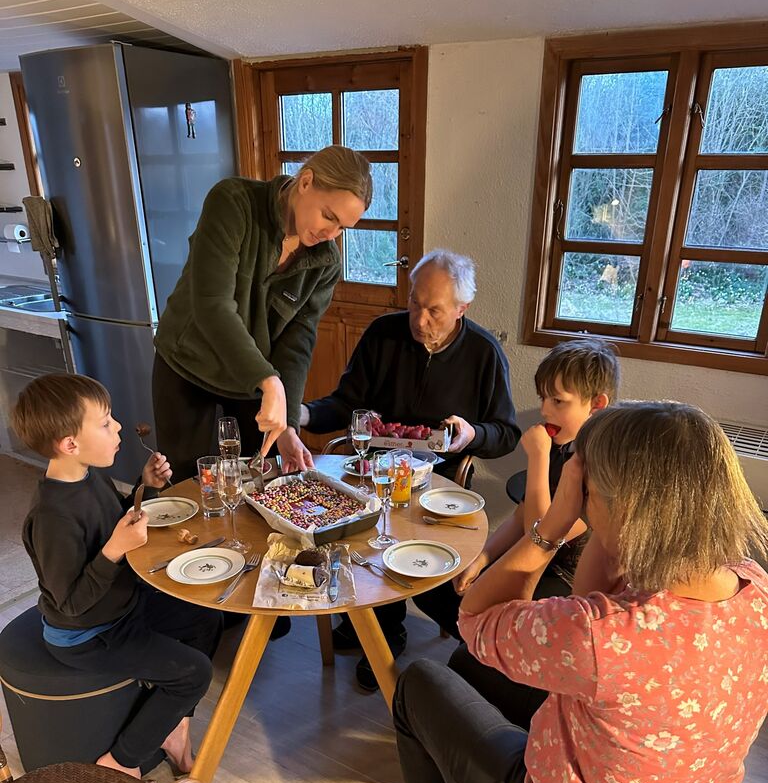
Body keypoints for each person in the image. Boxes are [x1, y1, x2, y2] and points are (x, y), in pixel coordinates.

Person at [383, 401, 768, 783]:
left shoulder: (602, 638)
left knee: (419, 681)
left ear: (620, 506)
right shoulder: (753, 586)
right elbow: (594, 594)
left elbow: (475, 618)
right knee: (474, 675)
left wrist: (554, 525)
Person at [299, 248, 521, 689]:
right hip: (371, 473)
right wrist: (300, 415)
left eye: (434, 310)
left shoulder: (483, 352)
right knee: (347, 531)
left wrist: (472, 434)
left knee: (410, 547)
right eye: (414, 304)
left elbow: (506, 431)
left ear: (462, 309)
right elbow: (347, 403)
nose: (419, 320)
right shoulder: (384, 334)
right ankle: (380, 626)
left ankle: (396, 631)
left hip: (438, 484)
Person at [12, 374, 223, 779]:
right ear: (70, 444)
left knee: (205, 616)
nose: (119, 427)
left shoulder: (88, 475)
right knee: (194, 672)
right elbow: (71, 601)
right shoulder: (53, 517)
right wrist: (115, 550)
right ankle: (121, 763)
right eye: (106, 422)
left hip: (122, 606)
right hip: (88, 633)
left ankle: (174, 727)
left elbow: (111, 524)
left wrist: (145, 489)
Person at [153, 146, 372, 479]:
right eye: (329, 216)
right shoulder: (233, 202)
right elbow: (213, 304)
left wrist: (287, 426)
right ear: (306, 182)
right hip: (188, 365)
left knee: (260, 481)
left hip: (253, 382)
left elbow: (298, 341)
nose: (331, 234)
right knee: (188, 484)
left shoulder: (325, 262)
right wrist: (270, 381)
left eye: (343, 227)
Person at [417, 337, 620, 649]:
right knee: (432, 585)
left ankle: (494, 655)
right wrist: (482, 557)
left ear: (596, 404)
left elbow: (541, 535)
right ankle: (483, 652)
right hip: (536, 557)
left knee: (486, 614)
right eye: (543, 399)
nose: (544, 410)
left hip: (567, 581)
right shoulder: (561, 446)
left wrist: (538, 459)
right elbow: (522, 514)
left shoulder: (600, 466)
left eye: (558, 401)